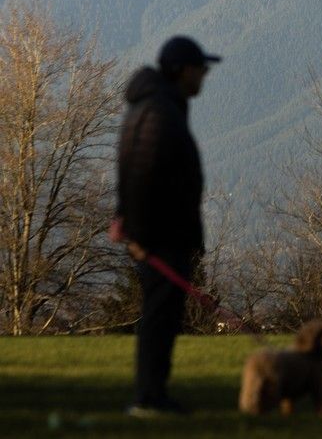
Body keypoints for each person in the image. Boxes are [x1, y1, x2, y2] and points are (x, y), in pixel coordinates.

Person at [114, 35, 220, 417]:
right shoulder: (159, 113)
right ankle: (149, 397)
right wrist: (139, 234)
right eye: (201, 69)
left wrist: (127, 221)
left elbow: (133, 170)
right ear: (182, 71)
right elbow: (141, 172)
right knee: (160, 318)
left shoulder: (159, 107)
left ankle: (153, 393)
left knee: (163, 316)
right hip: (160, 238)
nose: (204, 76)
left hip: (160, 235)